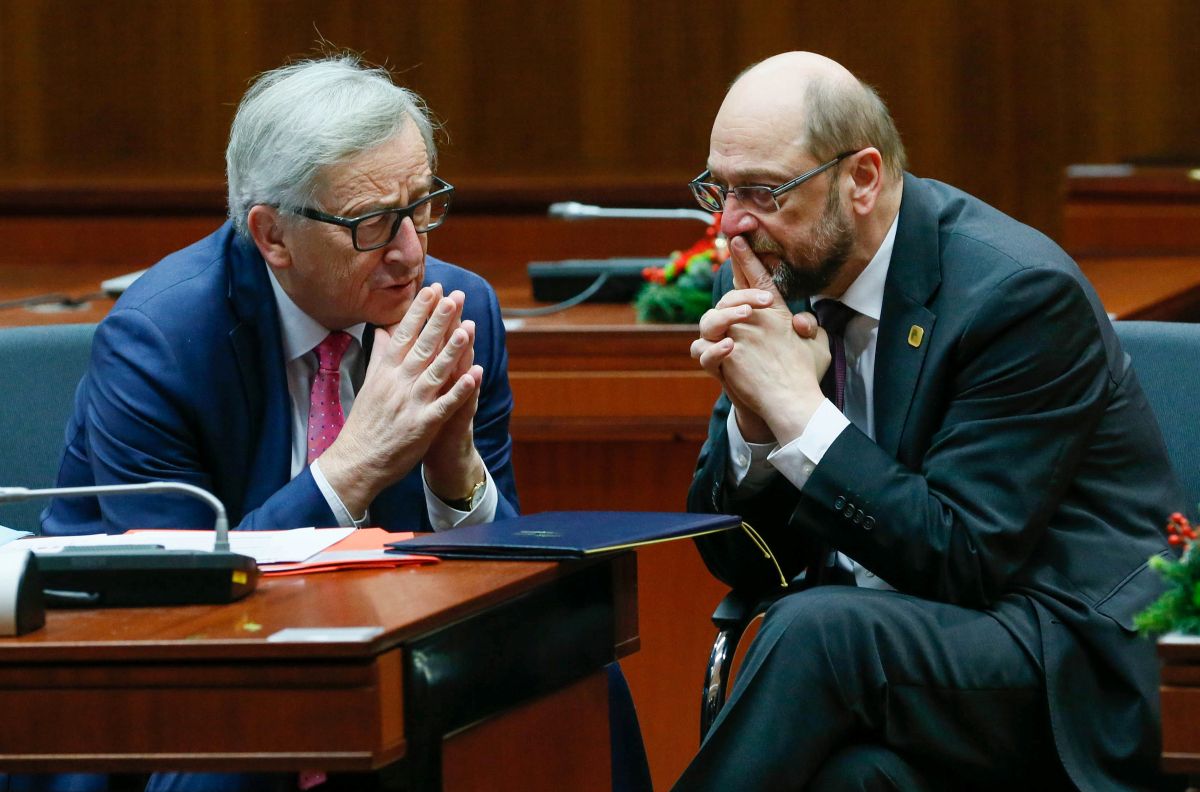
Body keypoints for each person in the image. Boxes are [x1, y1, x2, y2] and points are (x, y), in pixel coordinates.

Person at [678, 52, 1184, 791]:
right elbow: (743, 564)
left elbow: (963, 560)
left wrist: (797, 412)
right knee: (853, 780)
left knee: (819, 633)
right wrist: (757, 425)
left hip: (1052, 651)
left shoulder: (1017, 295)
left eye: (762, 191)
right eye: (718, 189)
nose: (730, 224)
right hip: (895, 662)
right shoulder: (772, 271)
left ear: (862, 178)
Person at [43, 55, 517, 538]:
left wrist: (456, 474)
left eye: (419, 206)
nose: (411, 253)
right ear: (273, 235)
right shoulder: (160, 344)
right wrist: (355, 465)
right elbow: (180, 573)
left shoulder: (457, 313)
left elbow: (513, 561)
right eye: (371, 222)